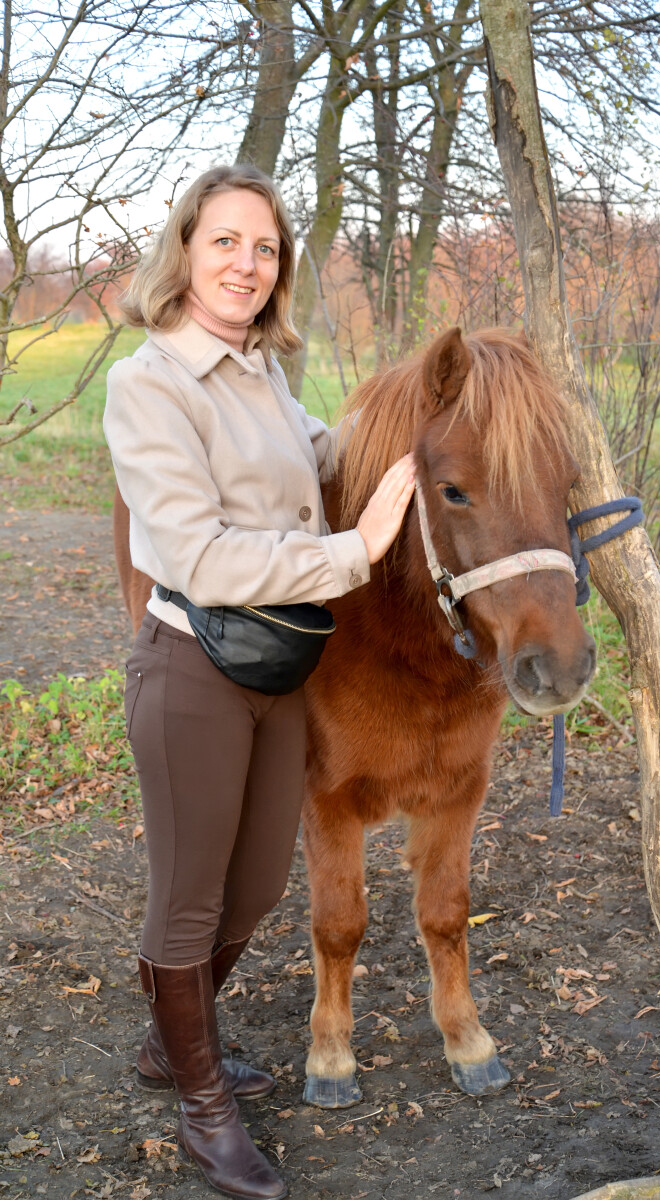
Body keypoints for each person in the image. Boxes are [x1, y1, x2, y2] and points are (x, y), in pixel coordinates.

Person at [103, 164, 415, 1200]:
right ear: (186, 251)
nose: (247, 262)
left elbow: (320, 458)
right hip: (192, 663)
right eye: (226, 241)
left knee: (260, 886)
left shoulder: (263, 375)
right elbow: (198, 556)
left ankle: (170, 1043)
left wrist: (409, 439)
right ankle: (200, 1101)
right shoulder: (148, 384)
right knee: (189, 903)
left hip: (278, 666)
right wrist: (354, 553)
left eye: (266, 248)